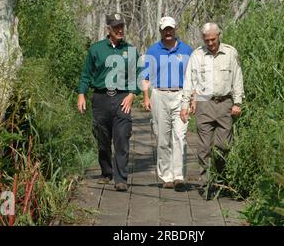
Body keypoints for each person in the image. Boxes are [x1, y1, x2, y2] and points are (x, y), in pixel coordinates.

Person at [77, 13, 141, 192]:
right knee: (103, 139)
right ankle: (107, 172)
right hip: (101, 98)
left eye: (122, 26)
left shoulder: (130, 51)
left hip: (122, 99)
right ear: (109, 29)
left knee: (122, 139)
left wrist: (132, 95)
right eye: (116, 27)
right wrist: (81, 94)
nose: (120, 30)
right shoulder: (96, 50)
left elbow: (138, 75)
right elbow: (86, 74)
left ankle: (121, 178)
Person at [180, 22, 244, 199]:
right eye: (206, 40)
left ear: (219, 36)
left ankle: (222, 180)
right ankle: (206, 183)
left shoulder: (230, 53)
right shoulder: (197, 55)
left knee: (223, 146)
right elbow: (189, 82)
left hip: (225, 103)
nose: (210, 43)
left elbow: (237, 78)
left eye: (213, 39)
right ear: (203, 39)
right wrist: (185, 106)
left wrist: (237, 102)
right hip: (204, 103)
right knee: (204, 147)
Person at [142, 16, 193, 192]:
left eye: (171, 28)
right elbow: (146, 77)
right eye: (165, 29)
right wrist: (146, 97)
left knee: (180, 136)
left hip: (180, 96)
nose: (168, 32)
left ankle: (179, 176)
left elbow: (192, 77)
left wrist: (192, 99)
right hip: (159, 95)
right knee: (163, 138)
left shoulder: (186, 50)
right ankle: (167, 176)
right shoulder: (153, 50)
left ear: (175, 29)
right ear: (161, 31)